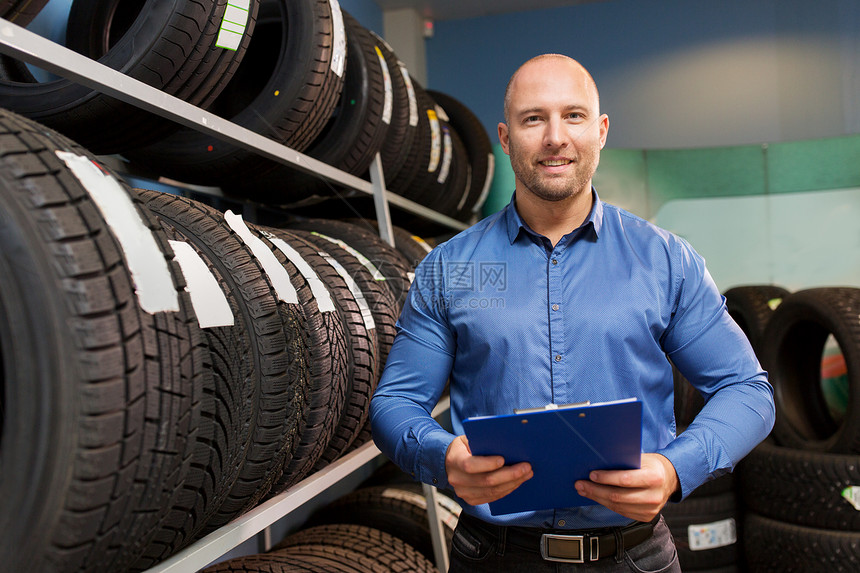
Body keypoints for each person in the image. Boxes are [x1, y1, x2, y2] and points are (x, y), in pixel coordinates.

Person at [369, 54, 775, 571]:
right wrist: (443, 457)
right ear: (506, 136)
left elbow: (747, 390)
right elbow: (395, 403)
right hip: (493, 557)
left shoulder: (664, 261)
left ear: (601, 131)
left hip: (633, 554)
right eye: (533, 118)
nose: (555, 137)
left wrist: (675, 469)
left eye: (574, 116)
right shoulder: (451, 269)